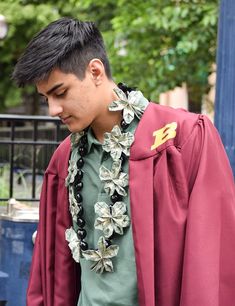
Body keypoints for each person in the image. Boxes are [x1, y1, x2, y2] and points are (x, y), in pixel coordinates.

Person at [12, 17, 235, 306]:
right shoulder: (64, 159)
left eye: (60, 93)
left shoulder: (182, 139)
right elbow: (51, 269)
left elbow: (210, 261)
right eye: (45, 99)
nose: (54, 109)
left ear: (95, 71)